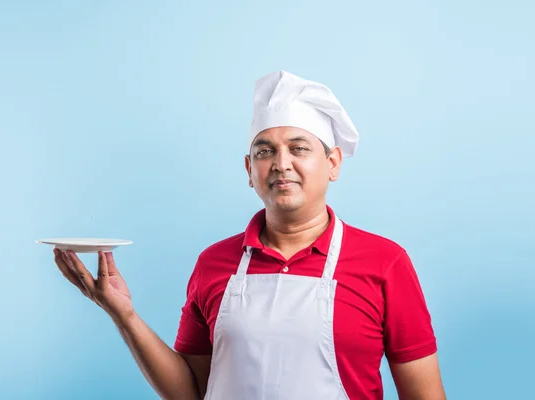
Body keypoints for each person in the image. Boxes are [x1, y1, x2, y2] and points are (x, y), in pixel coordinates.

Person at [53, 70, 446, 399]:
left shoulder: (384, 262)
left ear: (332, 163)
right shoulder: (214, 263)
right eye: (264, 151)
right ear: (248, 169)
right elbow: (191, 393)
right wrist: (123, 315)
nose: (281, 164)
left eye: (298, 148)